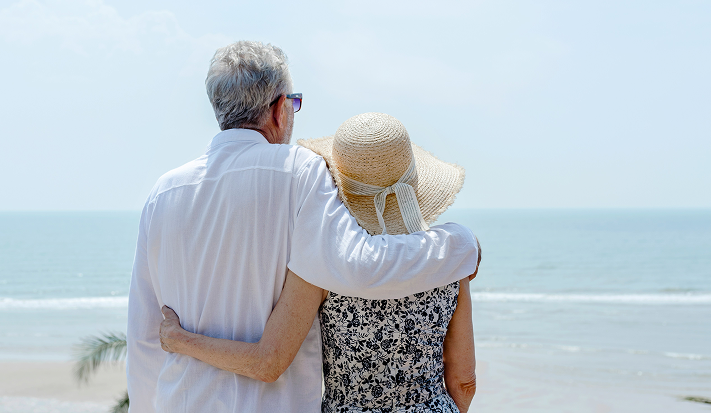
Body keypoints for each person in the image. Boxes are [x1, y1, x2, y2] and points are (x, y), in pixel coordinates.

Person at [126, 41, 480, 413]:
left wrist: (178, 345)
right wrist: (459, 244)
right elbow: (358, 264)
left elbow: (144, 335)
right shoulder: (299, 171)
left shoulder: (163, 192)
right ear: (280, 109)